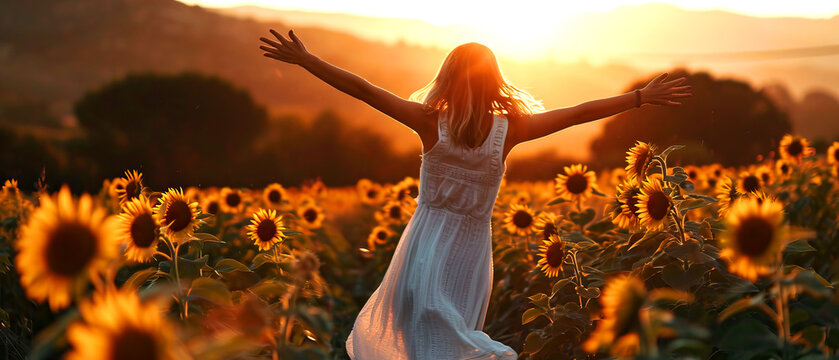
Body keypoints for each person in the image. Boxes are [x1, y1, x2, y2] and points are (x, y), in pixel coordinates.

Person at [259, 29, 691, 359]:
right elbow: (578, 113)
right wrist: (638, 97)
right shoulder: (508, 129)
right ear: (494, 81)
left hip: (427, 242)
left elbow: (365, 89)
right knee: (443, 333)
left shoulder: (431, 122)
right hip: (469, 250)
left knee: (429, 332)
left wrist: (308, 60)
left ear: (446, 77)